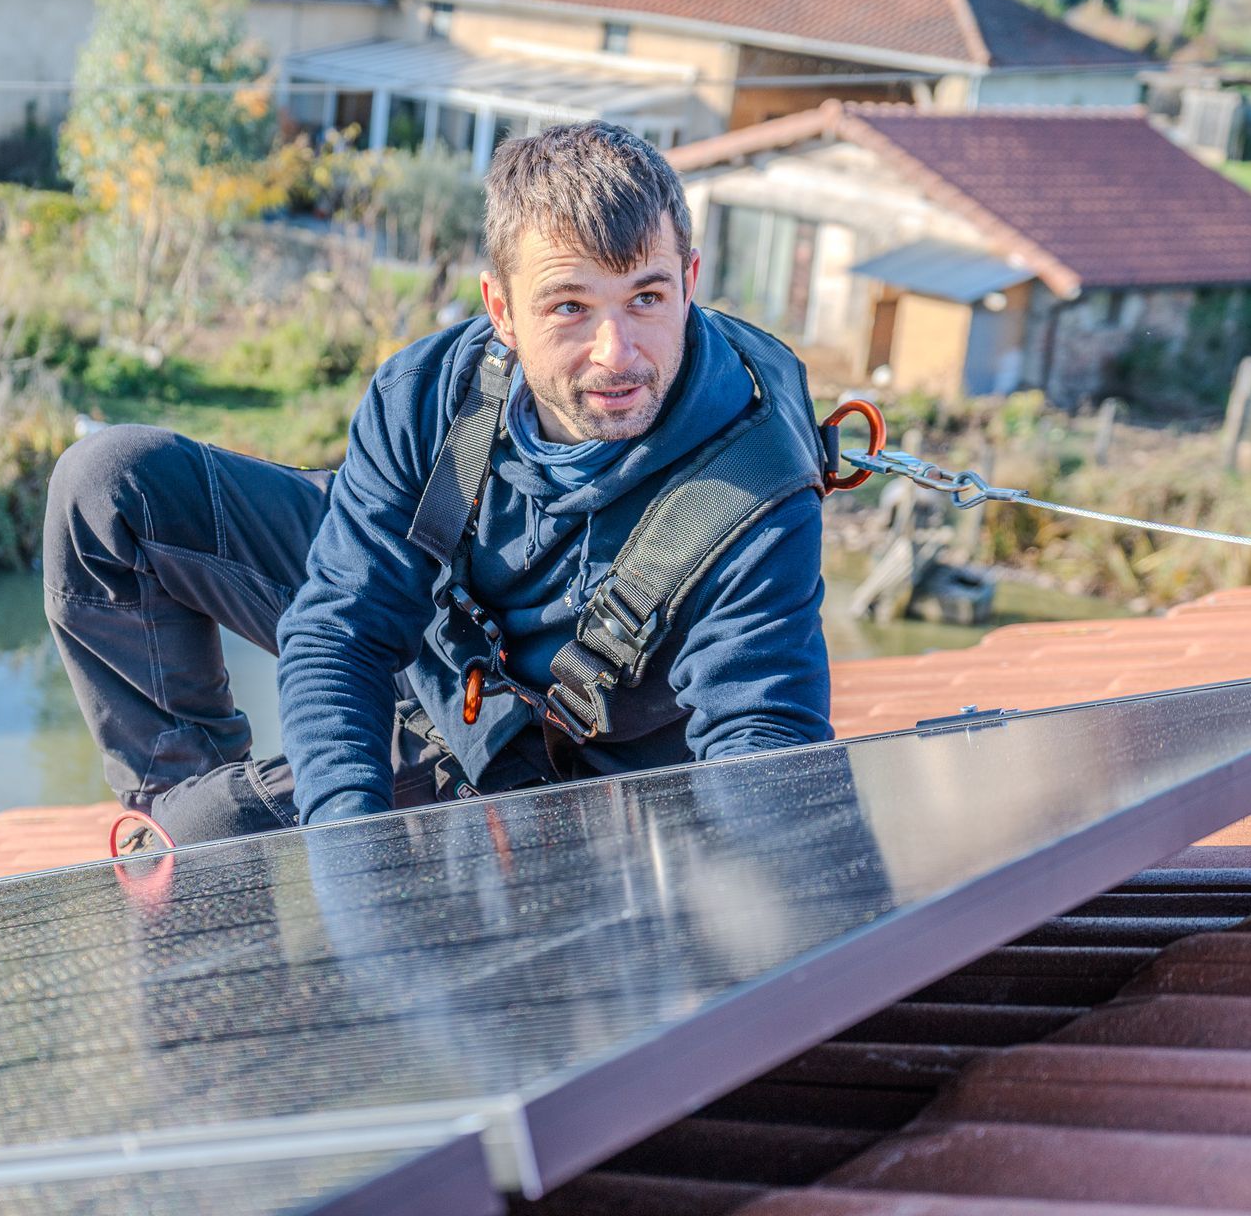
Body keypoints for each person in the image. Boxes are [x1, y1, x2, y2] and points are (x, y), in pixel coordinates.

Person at [44, 121, 836, 852]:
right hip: (434, 634)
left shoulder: (756, 482)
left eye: (647, 298)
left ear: (690, 281)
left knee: (209, 827)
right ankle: (178, 807)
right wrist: (350, 857)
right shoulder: (433, 393)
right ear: (502, 311)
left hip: (554, 748)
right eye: (569, 306)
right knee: (112, 487)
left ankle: (197, 833)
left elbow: (763, 751)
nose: (616, 352)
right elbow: (339, 632)